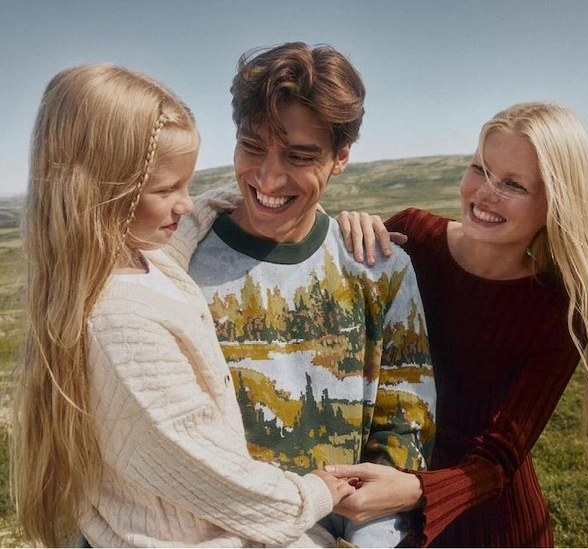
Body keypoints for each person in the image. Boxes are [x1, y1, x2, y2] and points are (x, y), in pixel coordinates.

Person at [327, 101, 588, 547]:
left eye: (514, 184)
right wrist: (341, 238)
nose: (485, 193)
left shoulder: (557, 308)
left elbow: (499, 459)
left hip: (491, 528)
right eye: (480, 169)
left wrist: (417, 490)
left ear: (556, 203)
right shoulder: (412, 236)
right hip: (382, 508)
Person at [11, 63, 357, 548]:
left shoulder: (143, 257)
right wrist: (310, 496)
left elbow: (198, 218)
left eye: (187, 185)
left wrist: (298, 201)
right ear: (104, 191)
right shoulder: (119, 322)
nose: (185, 204)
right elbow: (203, 466)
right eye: (166, 190)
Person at [165, 42, 437, 547]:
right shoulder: (175, 267)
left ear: (341, 157)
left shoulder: (381, 269)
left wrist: (370, 531)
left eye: (299, 156)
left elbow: (405, 423)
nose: (268, 177)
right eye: (252, 147)